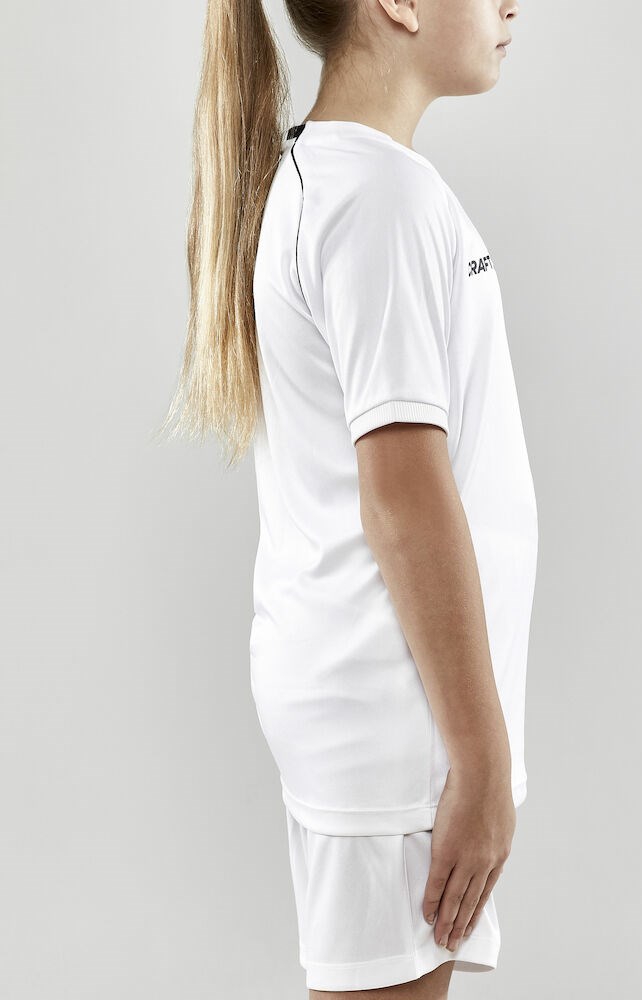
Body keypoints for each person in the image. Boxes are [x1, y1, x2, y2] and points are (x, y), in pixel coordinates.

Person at [162, 1, 536, 996]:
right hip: (395, 720)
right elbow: (403, 500)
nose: (513, 4)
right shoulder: (380, 197)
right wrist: (480, 759)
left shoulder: (332, 178)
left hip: (365, 702)